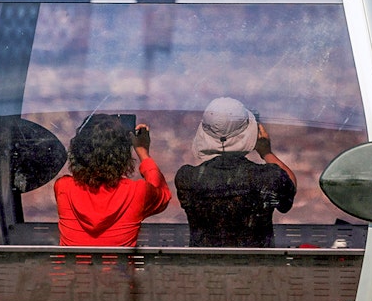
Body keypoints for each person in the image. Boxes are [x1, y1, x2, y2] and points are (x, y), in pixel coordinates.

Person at [175, 97, 296, 248]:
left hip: (205, 268)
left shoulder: (187, 178)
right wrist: (266, 152)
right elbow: (289, 191)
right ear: (251, 132)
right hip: (258, 268)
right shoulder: (268, 177)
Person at [55, 113, 171, 246]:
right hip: (120, 268)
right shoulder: (137, 192)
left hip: (71, 267)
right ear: (122, 154)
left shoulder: (63, 187)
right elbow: (163, 195)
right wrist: (143, 152)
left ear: (78, 150)